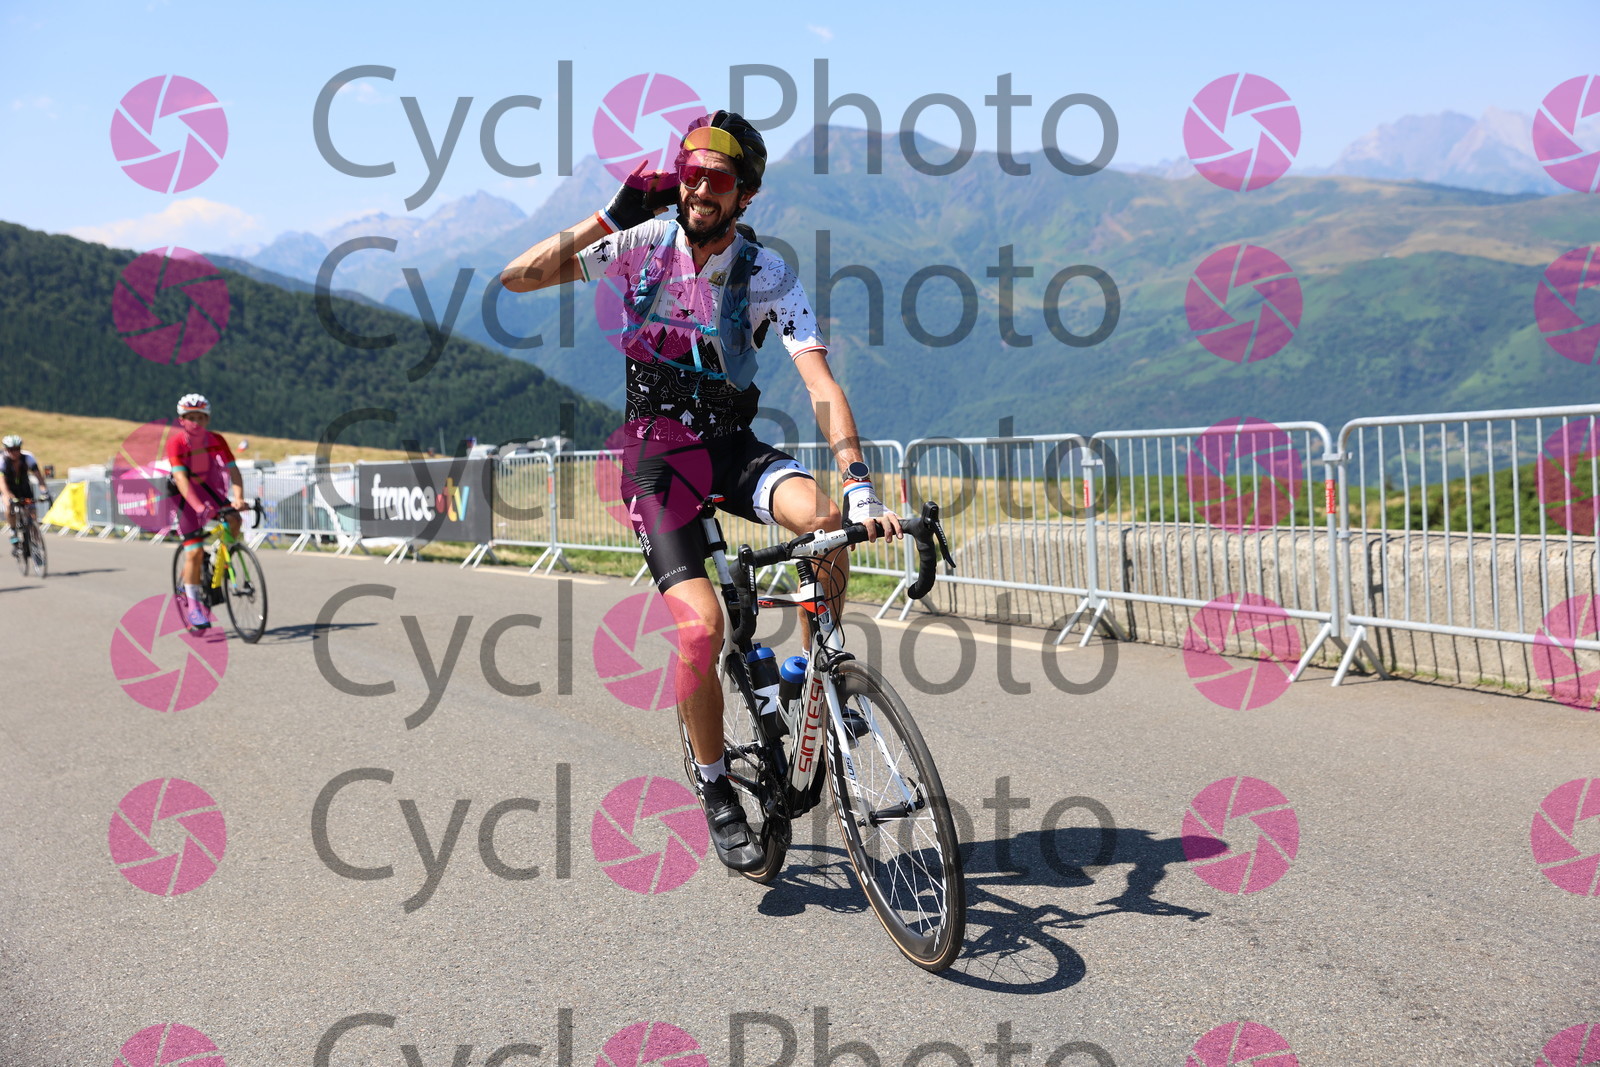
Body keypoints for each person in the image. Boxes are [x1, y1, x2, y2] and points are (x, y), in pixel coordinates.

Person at [502, 110, 902, 872]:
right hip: (657, 463)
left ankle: (815, 669)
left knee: (825, 524)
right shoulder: (641, 246)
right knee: (701, 628)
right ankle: (715, 783)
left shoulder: (768, 273)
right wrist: (607, 217)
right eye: (689, 173)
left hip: (727, 448)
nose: (698, 189)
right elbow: (516, 276)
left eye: (717, 179)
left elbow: (821, 385)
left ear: (745, 194)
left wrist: (860, 485)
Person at [168, 394, 245, 629]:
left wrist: (239, 498)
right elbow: (181, 478)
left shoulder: (217, 440)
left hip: (210, 491)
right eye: (190, 418)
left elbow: (233, 470)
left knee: (234, 519)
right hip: (185, 495)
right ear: (182, 420)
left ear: (207, 419)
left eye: (200, 417)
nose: (196, 422)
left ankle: (219, 555)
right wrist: (199, 507)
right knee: (194, 552)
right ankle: (193, 606)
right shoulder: (177, 442)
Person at [2, 434, 52, 548]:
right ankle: (13, 530)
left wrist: (45, 492)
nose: (14, 452)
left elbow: (39, 477)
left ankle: (36, 543)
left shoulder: (28, 457)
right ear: (6, 449)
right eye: (11, 449)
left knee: (32, 514)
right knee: (9, 505)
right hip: (9, 489)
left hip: (24, 488)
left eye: (17, 449)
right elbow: (2, 483)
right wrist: (9, 496)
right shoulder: (2, 460)